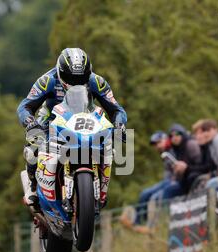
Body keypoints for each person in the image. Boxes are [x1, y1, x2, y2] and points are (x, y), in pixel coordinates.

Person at [16, 48, 127, 207]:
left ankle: (101, 188)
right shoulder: (47, 80)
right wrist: (30, 122)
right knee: (35, 140)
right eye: (70, 78)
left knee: (108, 146)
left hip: (86, 118)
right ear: (61, 72)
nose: (76, 82)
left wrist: (119, 124)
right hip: (52, 118)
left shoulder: (97, 82)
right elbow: (24, 106)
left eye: (81, 78)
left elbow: (117, 109)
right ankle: (32, 185)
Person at [133, 131, 180, 224]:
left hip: (174, 181)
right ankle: (139, 222)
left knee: (155, 197)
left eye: (159, 142)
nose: (157, 146)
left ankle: (151, 224)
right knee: (144, 194)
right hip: (167, 181)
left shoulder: (174, 149)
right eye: (154, 144)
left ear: (165, 139)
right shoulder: (164, 153)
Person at [168, 124, 202, 194]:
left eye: (177, 134)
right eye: (171, 136)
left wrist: (186, 167)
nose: (174, 137)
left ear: (183, 134)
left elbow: (201, 165)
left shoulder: (191, 144)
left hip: (196, 177)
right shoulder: (176, 149)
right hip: (185, 180)